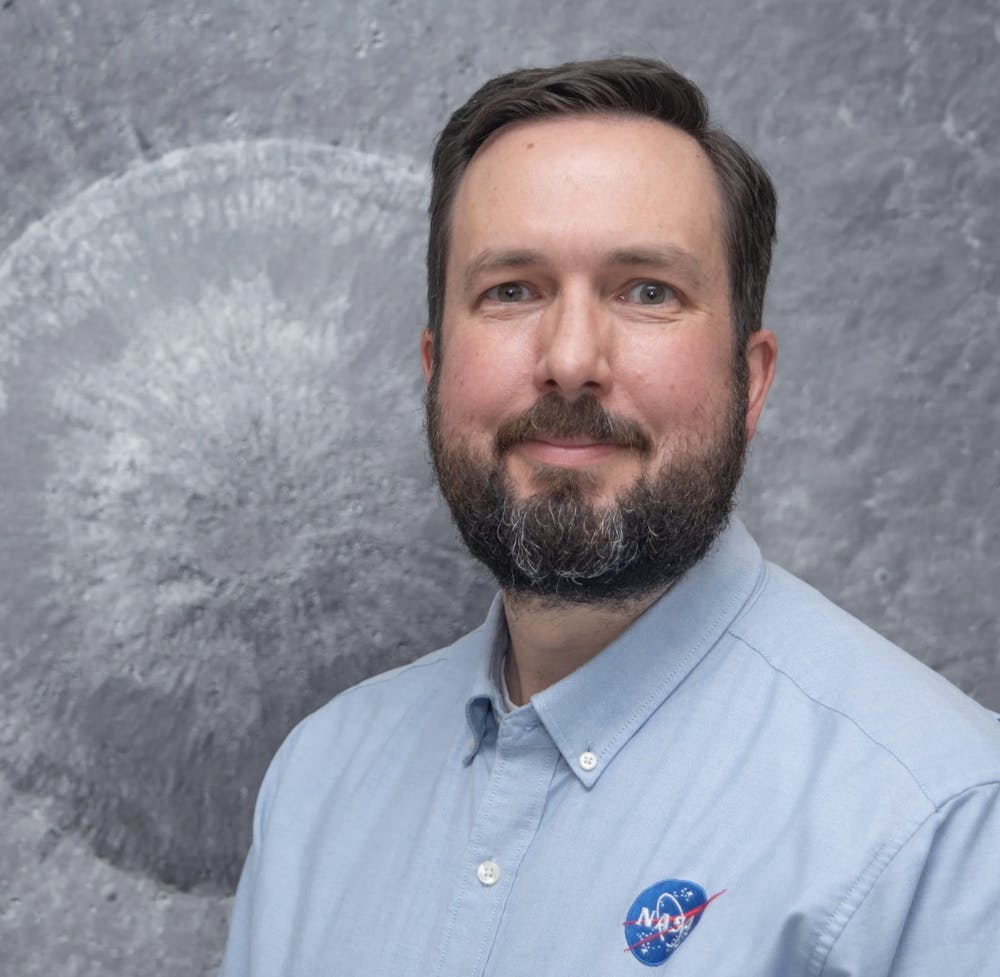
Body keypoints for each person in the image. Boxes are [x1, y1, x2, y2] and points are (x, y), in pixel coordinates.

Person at [219, 58, 1000, 976]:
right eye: (511, 289)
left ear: (748, 382)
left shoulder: (941, 819)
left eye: (646, 291)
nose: (571, 358)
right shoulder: (318, 783)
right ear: (434, 367)